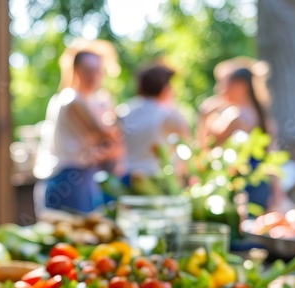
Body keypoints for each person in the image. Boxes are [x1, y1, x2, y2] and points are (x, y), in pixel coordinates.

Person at [33, 41, 123, 214]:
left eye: (97, 70)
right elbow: (108, 136)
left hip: (85, 177)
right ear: (76, 71)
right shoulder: (71, 99)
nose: (94, 76)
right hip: (68, 179)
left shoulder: (92, 100)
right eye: (88, 70)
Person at [198, 57, 285, 210]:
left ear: (240, 86)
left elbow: (205, 146)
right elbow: (271, 156)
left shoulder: (234, 116)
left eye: (224, 84)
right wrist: (278, 193)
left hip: (238, 187)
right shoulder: (260, 114)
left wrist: (204, 115)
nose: (219, 89)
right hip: (260, 184)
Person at [119, 63, 191, 183]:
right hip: (157, 181)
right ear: (165, 88)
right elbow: (186, 148)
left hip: (127, 176)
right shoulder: (169, 115)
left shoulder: (124, 110)